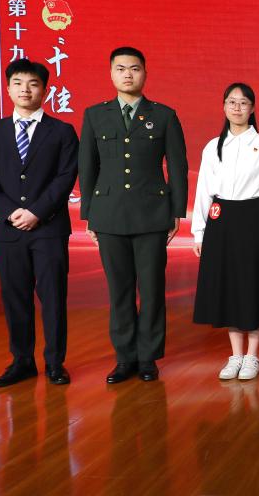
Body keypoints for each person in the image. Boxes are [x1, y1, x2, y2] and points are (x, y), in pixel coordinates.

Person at [79, 46, 188, 384]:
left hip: (152, 215)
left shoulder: (164, 115)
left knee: (152, 290)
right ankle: (124, 358)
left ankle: (148, 357)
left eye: (135, 68)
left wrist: (176, 212)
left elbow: (178, 167)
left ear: (145, 73)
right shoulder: (95, 115)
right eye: (121, 68)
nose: (128, 74)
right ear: (111, 73)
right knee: (120, 290)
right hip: (108, 215)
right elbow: (87, 167)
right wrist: (89, 215)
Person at [0, 59, 79, 387]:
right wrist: (9, 212)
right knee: (15, 296)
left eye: (33, 84)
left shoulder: (62, 132)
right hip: (7, 231)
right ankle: (22, 361)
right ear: (7, 89)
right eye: (18, 83)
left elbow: (66, 176)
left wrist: (37, 212)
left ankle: (55, 363)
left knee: (53, 296)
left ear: (44, 90)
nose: (25, 89)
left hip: (49, 229)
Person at [192, 83, 259, 380]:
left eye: (243, 103)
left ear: (252, 108)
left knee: (251, 285)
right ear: (224, 107)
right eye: (231, 102)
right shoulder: (213, 146)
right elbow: (203, 190)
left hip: (251, 218)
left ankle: (252, 356)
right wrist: (199, 232)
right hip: (221, 220)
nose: (237, 107)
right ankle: (235, 356)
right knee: (229, 286)